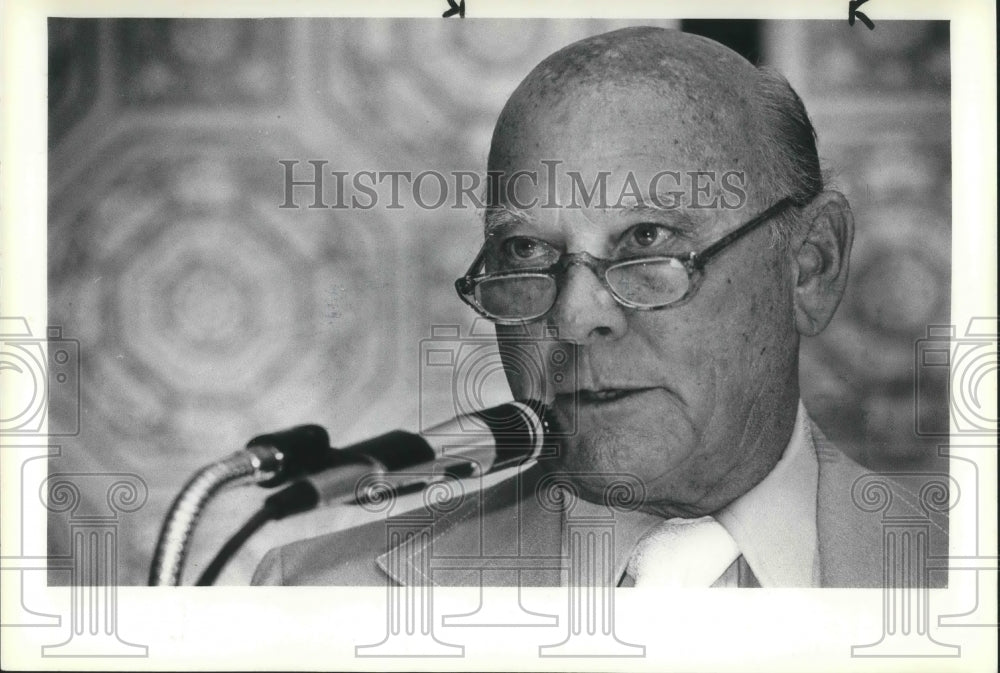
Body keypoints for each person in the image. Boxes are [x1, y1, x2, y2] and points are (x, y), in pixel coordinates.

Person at [252, 27, 948, 588]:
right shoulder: (314, 598)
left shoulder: (965, 574)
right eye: (525, 252)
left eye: (647, 240)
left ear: (810, 265)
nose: (575, 318)